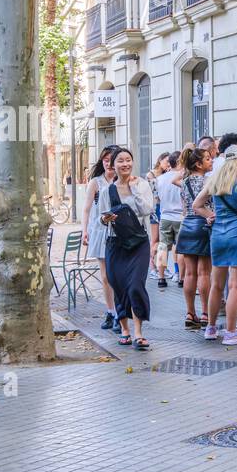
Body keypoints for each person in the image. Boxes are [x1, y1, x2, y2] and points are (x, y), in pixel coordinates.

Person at [194, 143, 237, 346]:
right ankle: (230, 332)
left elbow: (196, 205)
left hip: (217, 235)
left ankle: (211, 328)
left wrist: (211, 216)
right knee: (236, 285)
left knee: (216, 285)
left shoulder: (215, 182)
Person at [96, 147, 155, 350]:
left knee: (135, 285)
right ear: (113, 165)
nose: (125, 164)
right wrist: (105, 218)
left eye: (128, 160)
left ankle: (138, 332)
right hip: (115, 243)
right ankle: (125, 330)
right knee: (119, 286)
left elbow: (147, 209)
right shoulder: (107, 191)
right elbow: (101, 218)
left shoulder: (143, 185)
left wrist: (134, 189)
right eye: (120, 161)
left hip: (138, 242)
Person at [81, 145, 120, 331]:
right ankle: (111, 311)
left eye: (112, 160)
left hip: (120, 232)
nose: (109, 164)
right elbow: (87, 208)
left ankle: (122, 312)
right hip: (100, 231)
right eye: (105, 160)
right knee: (106, 276)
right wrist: (84, 230)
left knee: (118, 275)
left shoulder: (124, 180)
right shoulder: (95, 182)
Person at [174, 147, 214, 329]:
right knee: (204, 272)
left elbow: (185, 206)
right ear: (198, 164)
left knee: (190, 273)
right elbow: (209, 205)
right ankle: (206, 313)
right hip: (204, 224)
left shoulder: (185, 181)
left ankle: (190, 313)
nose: (211, 160)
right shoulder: (208, 181)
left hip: (187, 225)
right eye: (207, 158)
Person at [154, 154, 185, 288]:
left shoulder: (160, 179)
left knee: (163, 248)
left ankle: (161, 278)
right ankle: (181, 278)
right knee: (180, 249)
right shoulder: (182, 177)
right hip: (180, 217)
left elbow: (157, 198)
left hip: (165, 217)